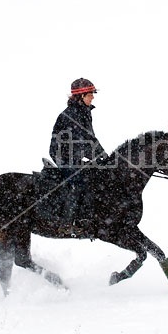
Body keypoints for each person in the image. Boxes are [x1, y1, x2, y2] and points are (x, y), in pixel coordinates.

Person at [49, 78, 107, 235]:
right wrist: (89, 158)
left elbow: (91, 139)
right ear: (81, 96)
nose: (93, 97)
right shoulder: (71, 115)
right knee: (79, 180)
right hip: (62, 156)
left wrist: (104, 157)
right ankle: (67, 223)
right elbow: (79, 142)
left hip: (75, 157)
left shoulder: (85, 113)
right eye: (91, 94)